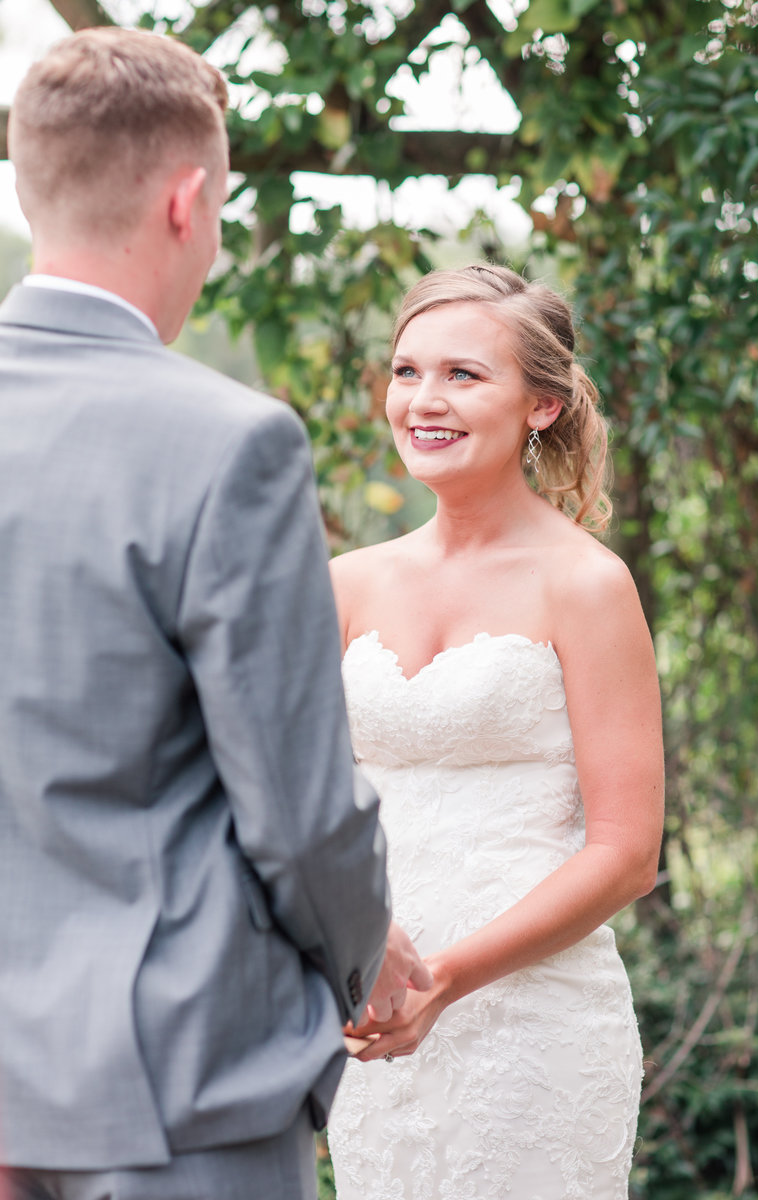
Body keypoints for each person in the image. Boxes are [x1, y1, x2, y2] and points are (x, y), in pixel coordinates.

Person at [0, 27, 430, 1200]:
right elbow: (296, 811)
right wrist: (364, 949)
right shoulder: (228, 443)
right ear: (187, 203)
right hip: (171, 1074)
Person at [325, 264, 665, 1199]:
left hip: (534, 1027)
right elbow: (299, 801)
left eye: (463, 375)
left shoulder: (586, 585)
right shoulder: (345, 583)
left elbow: (628, 853)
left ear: (541, 406)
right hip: (375, 1017)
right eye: (407, 371)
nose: (424, 400)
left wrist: (447, 977)